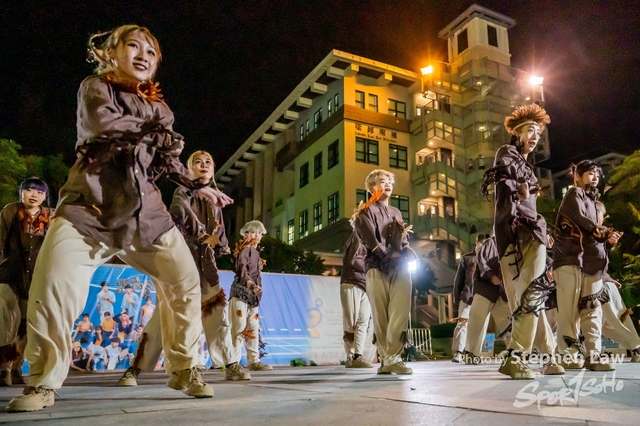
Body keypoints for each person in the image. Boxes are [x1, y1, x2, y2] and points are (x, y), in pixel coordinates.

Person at [6, 25, 232, 412]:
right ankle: (42, 383)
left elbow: (167, 161)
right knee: (53, 285)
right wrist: (155, 132)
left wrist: (195, 183)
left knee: (185, 281)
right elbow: (103, 125)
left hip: (147, 215)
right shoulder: (95, 88)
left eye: (151, 51)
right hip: (89, 208)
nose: (144, 55)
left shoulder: (161, 110)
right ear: (111, 53)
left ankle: (185, 368)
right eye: (134, 46)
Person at [118, 150, 249, 386]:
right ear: (189, 170)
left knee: (218, 318)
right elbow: (179, 214)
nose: (203, 165)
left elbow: (220, 239)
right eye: (197, 162)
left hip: (207, 270)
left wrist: (218, 243)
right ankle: (135, 369)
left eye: (208, 161)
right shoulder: (183, 192)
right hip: (180, 267)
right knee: (164, 318)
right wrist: (202, 234)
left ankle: (230, 364)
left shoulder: (216, 200)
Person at [481, 104, 564, 379]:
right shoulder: (507, 153)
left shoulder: (529, 169)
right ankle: (548, 356)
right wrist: (519, 188)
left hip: (532, 233)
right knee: (527, 297)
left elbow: (527, 204)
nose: (535, 136)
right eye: (530, 130)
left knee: (531, 293)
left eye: (538, 133)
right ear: (516, 133)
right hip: (510, 237)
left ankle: (517, 356)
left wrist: (543, 229)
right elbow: (505, 177)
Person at [553, 162, 622, 371]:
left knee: (592, 309)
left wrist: (607, 235)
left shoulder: (592, 201)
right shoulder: (574, 194)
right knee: (570, 311)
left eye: (597, 175)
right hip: (569, 259)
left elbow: (591, 229)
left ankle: (592, 355)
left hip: (589, 262)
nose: (595, 178)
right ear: (577, 176)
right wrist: (603, 233)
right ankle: (569, 354)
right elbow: (580, 220)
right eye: (590, 174)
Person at [353, 169, 416, 375]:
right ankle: (387, 358)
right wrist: (387, 256)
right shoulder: (365, 211)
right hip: (376, 266)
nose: (387, 184)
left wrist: (408, 250)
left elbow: (402, 239)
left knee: (400, 311)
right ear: (372, 187)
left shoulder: (396, 212)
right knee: (381, 315)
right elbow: (369, 240)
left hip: (399, 267)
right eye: (381, 181)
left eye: (389, 181)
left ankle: (393, 356)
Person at [0, 177, 51, 386]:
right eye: (29, 190)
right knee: (5, 318)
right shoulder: (11, 211)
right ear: (21, 192)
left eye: (39, 192)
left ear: (44, 196)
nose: (34, 195)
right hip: (9, 274)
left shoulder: (50, 216)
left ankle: (17, 367)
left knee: (26, 325)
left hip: (37, 277)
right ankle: (3, 368)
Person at [595, 202, 640, 362]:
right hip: (597, 283)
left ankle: (636, 346)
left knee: (611, 319)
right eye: (602, 215)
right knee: (606, 322)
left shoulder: (598, 235)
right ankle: (635, 346)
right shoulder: (589, 233)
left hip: (602, 283)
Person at [229, 221, 273, 372]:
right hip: (240, 293)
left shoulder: (255, 253)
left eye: (260, 233)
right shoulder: (245, 250)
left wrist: (256, 288)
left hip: (252, 296)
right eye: (254, 232)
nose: (257, 235)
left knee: (252, 328)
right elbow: (241, 269)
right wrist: (251, 284)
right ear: (246, 234)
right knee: (238, 329)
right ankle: (233, 363)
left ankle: (254, 361)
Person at [463, 236, 511, 363]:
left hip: (502, 292)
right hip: (486, 289)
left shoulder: (512, 244)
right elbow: (482, 262)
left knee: (508, 323)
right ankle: (470, 352)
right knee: (476, 320)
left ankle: (514, 352)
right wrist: (491, 276)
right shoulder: (490, 243)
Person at [340, 224, 373, 368]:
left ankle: (358, 356)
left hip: (366, 284)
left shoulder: (370, 240)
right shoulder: (357, 237)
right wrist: (370, 267)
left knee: (363, 321)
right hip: (352, 281)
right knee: (351, 321)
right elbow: (352, 261)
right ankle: (350, 357)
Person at [451, 234, 487, 363]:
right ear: (476, 242)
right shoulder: (467, 258)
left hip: (485, 297)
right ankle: (458, 351)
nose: (482, 246)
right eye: (481, 243)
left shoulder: (491, 258)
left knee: (481, 326)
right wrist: (456, 297)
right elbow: (459, 279)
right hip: (468, 296)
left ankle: (475, 353)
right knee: (462, 323)